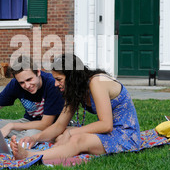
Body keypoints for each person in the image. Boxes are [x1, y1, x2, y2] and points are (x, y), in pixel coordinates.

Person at [10, 54, 141, 161]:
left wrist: (70, 133)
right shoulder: (75, 90)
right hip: (108, 133)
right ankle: (57, 150)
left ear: (72, 77)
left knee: (77, 138)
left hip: (126, 135)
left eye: (59, 79)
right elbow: (59, 125)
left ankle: (29, 156)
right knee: (61, 133)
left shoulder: (97, 82)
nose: (55, 84)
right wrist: (34, 138)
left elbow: (106, 125)